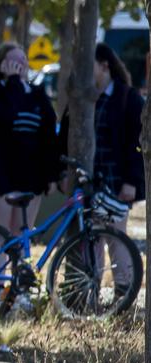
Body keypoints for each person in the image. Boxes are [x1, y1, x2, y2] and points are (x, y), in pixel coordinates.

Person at [59, 43, 145, 293]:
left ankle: (123, 295)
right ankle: (89, 293)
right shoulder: (80, 99)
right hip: (87, 183)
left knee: (117, 240)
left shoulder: (128, 98)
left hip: (117, 183)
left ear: (104, 66)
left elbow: (137, 145)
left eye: (89, 65)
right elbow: (64, 137)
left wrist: (132, 181)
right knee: (90, 241)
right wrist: (64, 173)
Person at [0, 42, 58, 295]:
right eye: (13, 61)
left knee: (21, 233)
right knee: (1, 233)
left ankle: (19, 286)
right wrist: (11, 82)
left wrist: (52, 174)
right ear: (1, 65)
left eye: (22, 60)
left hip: (29, 177)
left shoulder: (36, 93)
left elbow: (48, 133)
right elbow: (4, 117)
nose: (20, 65)